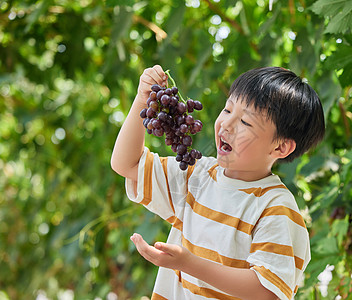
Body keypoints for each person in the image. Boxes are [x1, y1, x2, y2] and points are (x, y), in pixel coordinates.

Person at [111, 65, 325, 300]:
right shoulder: (197, 176)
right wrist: (142, 101)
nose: (226, 124)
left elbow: (268, 292)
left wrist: (190, 264)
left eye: (245, 122)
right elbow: (127, 164)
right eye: (227, 109)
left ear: (280, 147)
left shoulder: (276, 208)